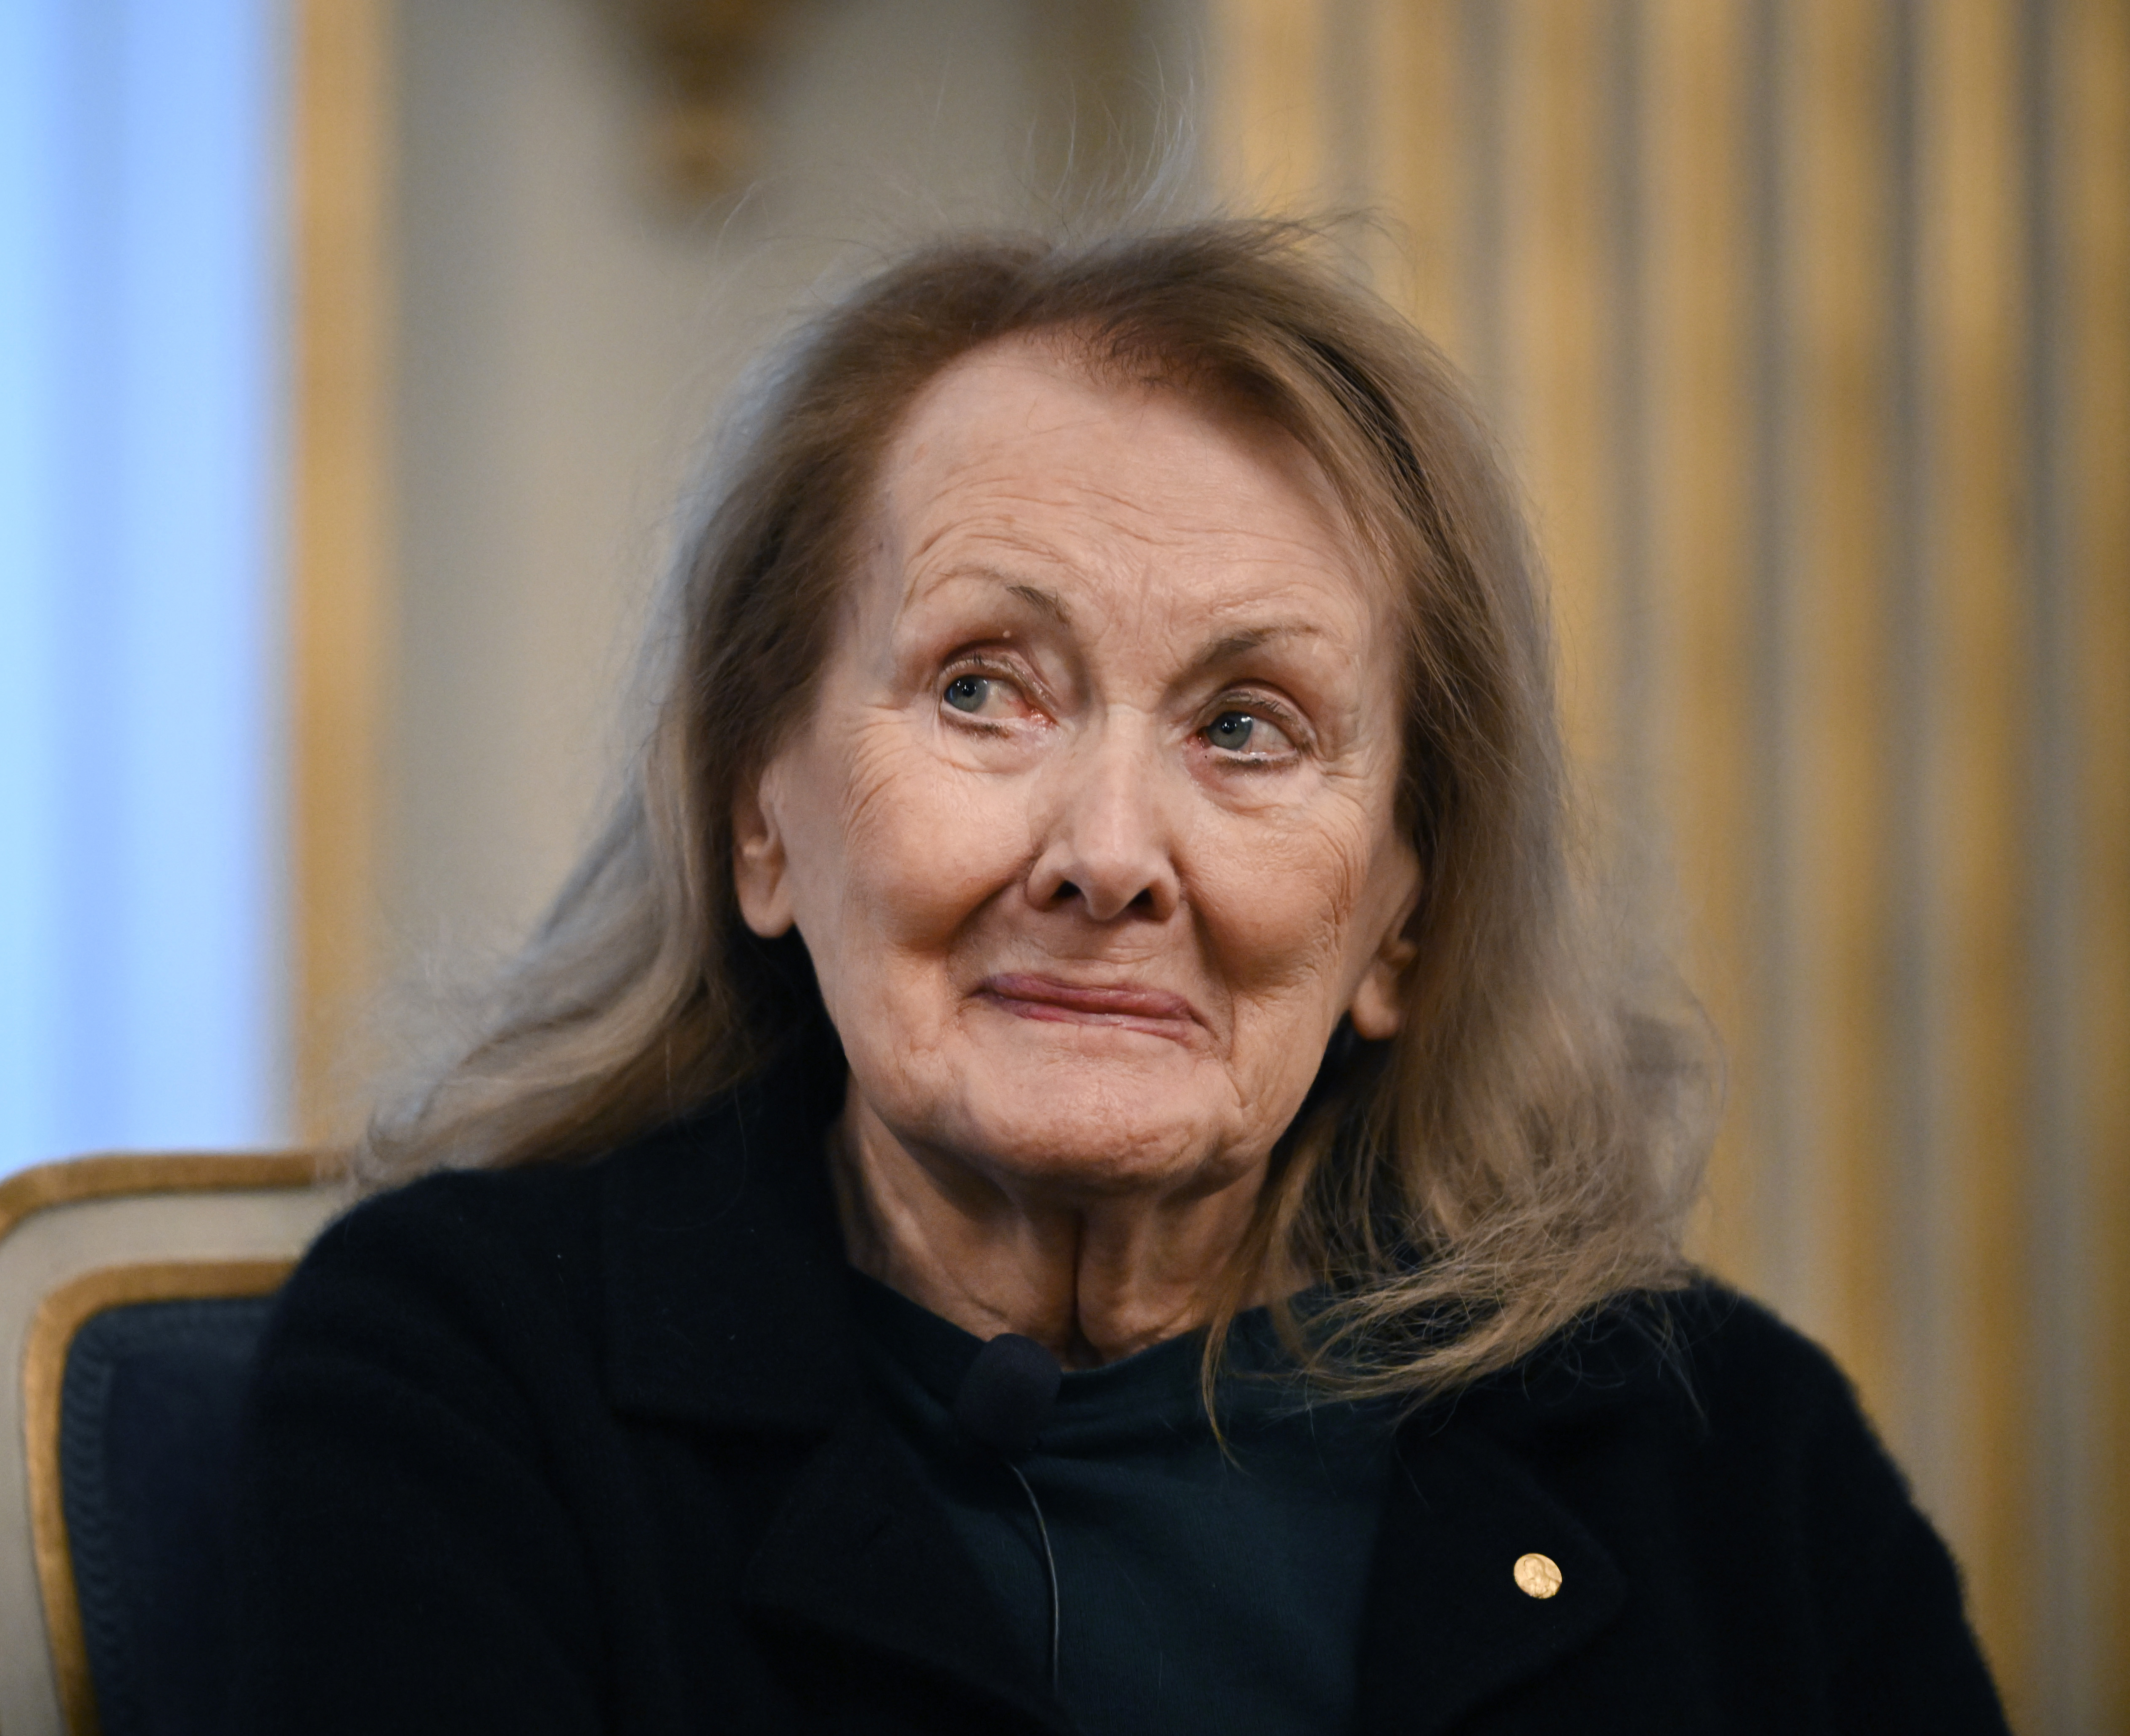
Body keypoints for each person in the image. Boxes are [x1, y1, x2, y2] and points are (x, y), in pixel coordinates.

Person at [226, 221, 2008, 1736]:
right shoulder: (465, 1383)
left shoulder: (1723, 1459)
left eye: (1248, 728)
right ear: (756, 817)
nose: (1108, 853)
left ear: (1401, 914)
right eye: (984, 688)